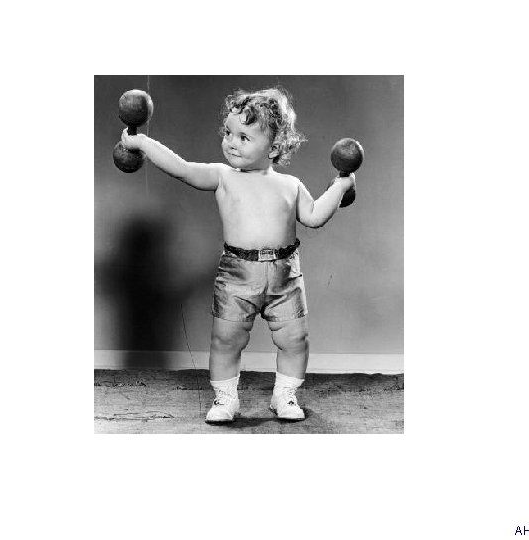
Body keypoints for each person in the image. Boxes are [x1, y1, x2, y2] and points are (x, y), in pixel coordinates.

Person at [120, 87, 355, 423]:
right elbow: (181, 168)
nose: (231, 142)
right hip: (237, 273)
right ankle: (225, 399)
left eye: (244, 137)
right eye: (228, 133)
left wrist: (341, 185)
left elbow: (315, 216)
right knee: (225, 340)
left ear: (274, 147)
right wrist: (142, 142)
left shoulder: (291, 185)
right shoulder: (223, 176)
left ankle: (285, 396)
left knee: (295, 340)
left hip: (286, 275)